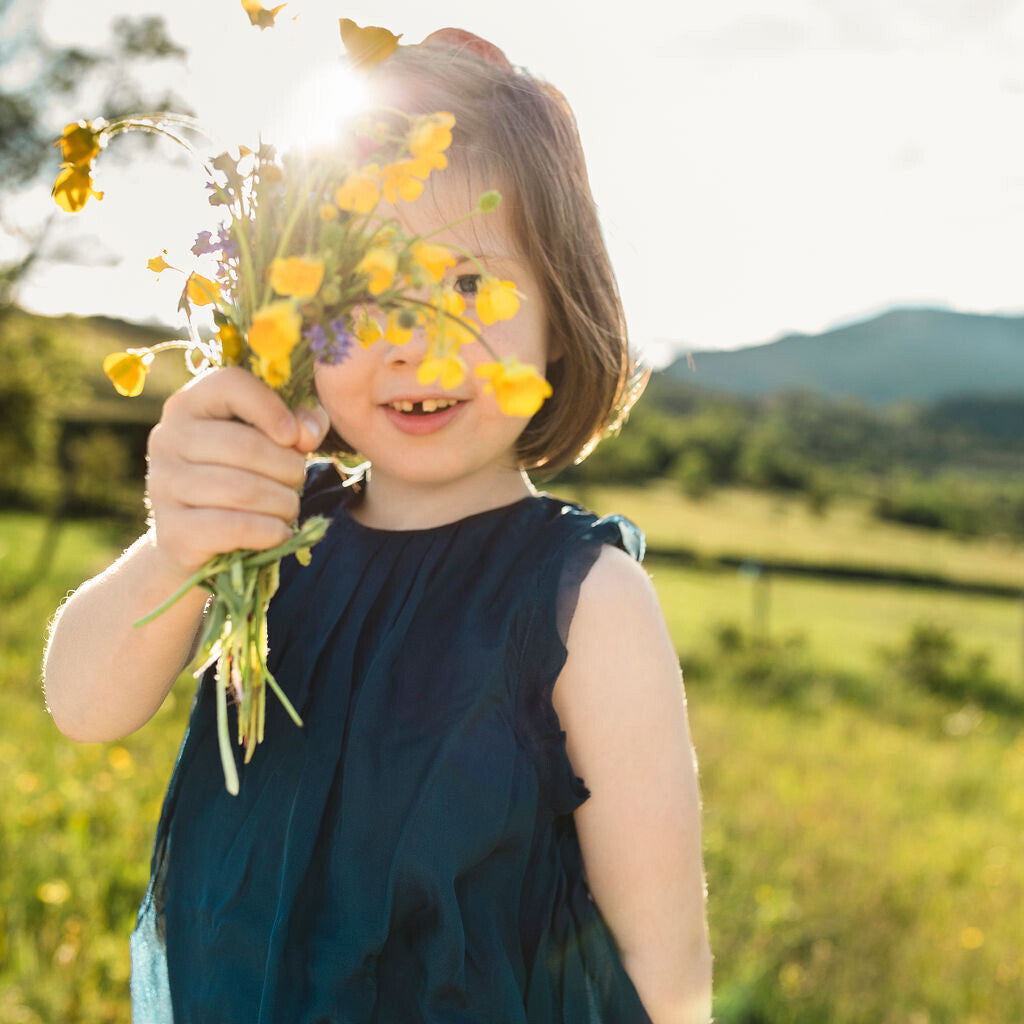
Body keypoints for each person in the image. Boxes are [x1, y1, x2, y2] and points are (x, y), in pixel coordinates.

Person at [43, 29, 712, 1024]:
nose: (414, 345)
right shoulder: (269, 529)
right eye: (362, 299)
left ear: (561, 313)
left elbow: (664, 955)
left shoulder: (582, 597)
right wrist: (178, 539)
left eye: (470, 288)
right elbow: (82, 704)